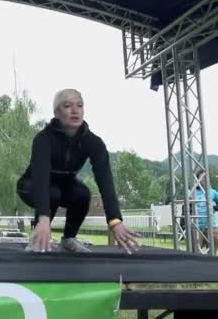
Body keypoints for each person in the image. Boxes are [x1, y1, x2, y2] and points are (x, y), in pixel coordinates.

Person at [17, 89, 139, 254]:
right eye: (67, 106)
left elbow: (105, 182)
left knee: (82, 194)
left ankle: (69, 239)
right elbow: (41, 177)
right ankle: (38, 238)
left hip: (65, 186)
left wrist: (115, 221)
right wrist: (43, 219)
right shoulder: (43, 139)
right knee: (52, 192)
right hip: (32, 185)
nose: (75, 110)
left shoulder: (94, 143)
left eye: (79, 106)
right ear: (57, 113)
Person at [192, 169, 218, 251]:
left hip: (211, 225)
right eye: (202, 177)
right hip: (197, 226)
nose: (204, 179)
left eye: (206, 177)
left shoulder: (212, 192)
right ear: (197, 179)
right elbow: (186, 207)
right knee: (196, 251)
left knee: (213, 250)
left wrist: (214, 208)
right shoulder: (193, 192)